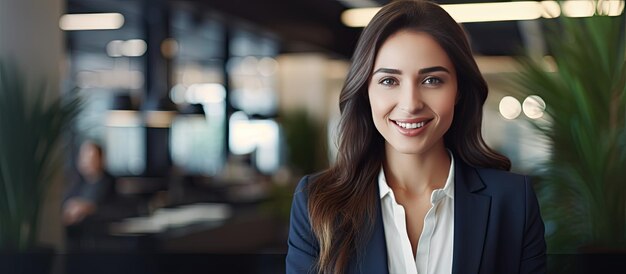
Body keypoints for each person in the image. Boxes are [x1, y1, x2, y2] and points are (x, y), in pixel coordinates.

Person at [286, 1, 546, 274]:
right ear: (365, 90)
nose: (410, 104)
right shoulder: (317, 204)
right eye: (389, 81)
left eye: (432, 80)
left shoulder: (514, 201)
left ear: (458, 89)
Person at [63, 140, 115, 226]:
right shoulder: (77, 182)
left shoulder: (110, 183)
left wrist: (88, 208)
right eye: (84, 157)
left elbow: (114, 211)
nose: (86, 162)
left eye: (91, 158)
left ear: (100, 159)